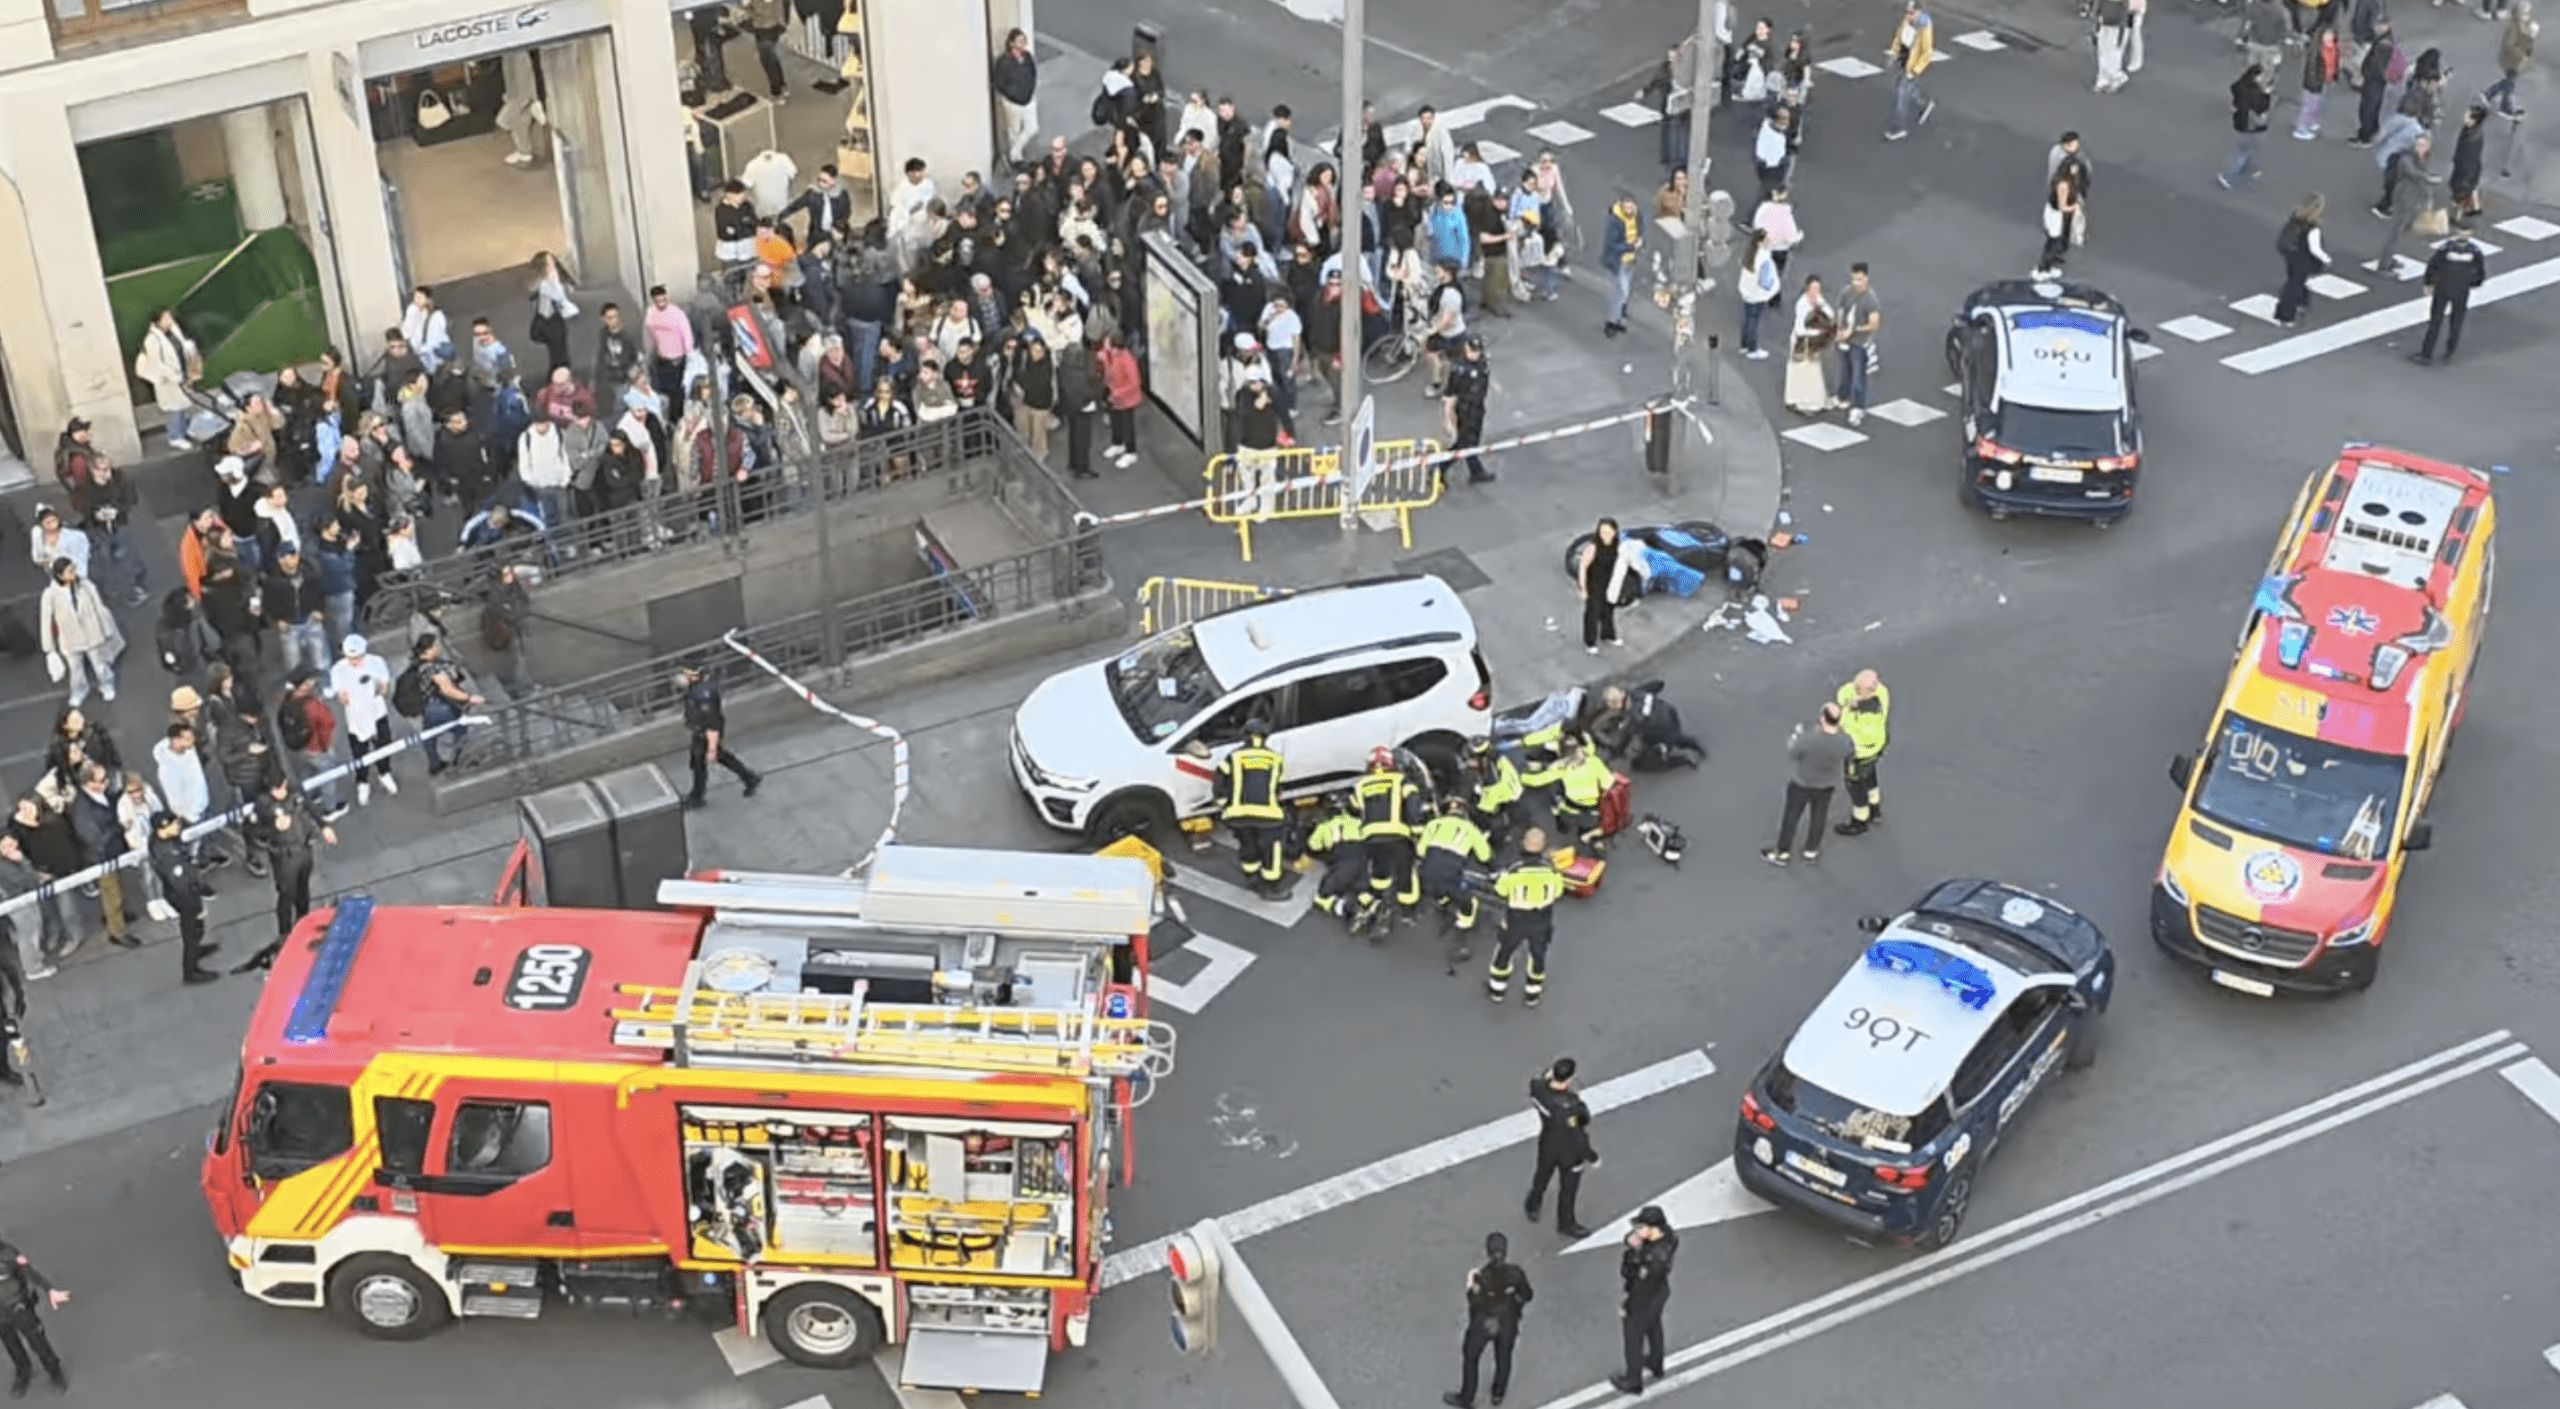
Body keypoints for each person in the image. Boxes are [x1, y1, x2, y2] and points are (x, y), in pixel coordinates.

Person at [233, 769, 336, 974]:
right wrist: (273, 827)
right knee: (286, 894)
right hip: (284, 856)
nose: (279, 792)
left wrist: (324, 826)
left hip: (303, 850)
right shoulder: (263, 804)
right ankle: (285, 934)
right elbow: (252, 831)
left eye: (281, 787)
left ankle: (304, 923)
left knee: (303, 891)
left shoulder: (295, 792)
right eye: (275, 789)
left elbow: (309, 807)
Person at [1445, 1230, 1533, 1409]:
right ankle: (1498, 1393)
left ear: (1487, 1252)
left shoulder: (1481, 1276)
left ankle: (1467, 1397)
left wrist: (1471, 1287)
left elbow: (1474, 1300)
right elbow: (1527, 1294)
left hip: (1484, 1323)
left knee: (1471, 1357)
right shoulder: (1516, 1273)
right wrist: (1515, 1305)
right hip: (1507, 1321)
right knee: (1504, 1357)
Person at [1764, 702, 1852, 866]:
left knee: (1791, 817)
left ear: (1824, 718)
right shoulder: (1844, 741)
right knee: (1819, 816)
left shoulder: (1810, 738)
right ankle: (1811, 850)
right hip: (1827, 784)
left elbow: (1793, 752)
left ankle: (1783, 852)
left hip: (1802, 783)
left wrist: (1796, 735)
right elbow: (1849, 752)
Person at [1487, 829, 1565, 1006]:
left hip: (1516, 919)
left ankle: (1497, 991)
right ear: (1543, 846)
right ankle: (1532, 994)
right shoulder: (1552, 872)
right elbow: (1559, 891)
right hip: (1542, 920)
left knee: (1504, 953)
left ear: (1523, 844)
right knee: (1538, 956)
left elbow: (1500, 890)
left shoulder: (1515, 871)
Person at [1609, 1207, 1679, 1396]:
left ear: (1653, 1228)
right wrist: (1634, 1243)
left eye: (1642, 1227)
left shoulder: (1652, 1261)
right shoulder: (1669, 1237)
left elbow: (1639, 1285)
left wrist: (1627, 1305)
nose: (1637, 1230)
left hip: (1645, 1296)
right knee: (1653, 1326)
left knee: (1633, 1335)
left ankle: (1633, 1380)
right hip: (1660, 1292)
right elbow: (1633, 1239)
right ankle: (1656, 1363)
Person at [1213, 721, 1289, 895]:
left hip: (1238, 815)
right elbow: (1277, 788)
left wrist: (1222, 802)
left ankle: (1252, 878)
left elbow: (1219, 779)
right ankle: (1271, 885)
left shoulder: (1235, 756)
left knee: (1248, 845)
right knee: (1272, 849)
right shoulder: (1276, 759)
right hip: (1269, 816)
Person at [1525, 1057, 1596, 1236]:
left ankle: (1533, 1204)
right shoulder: (1570, 1107)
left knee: (1541, 1176)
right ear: (1569, 1079)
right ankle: (1566, 1223)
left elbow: (1538, 1082)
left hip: (1548, 1143)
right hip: (1569, 1154)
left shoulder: (1538, 1090)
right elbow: (1579, 1130)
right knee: (1568, 1191)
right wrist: (1591, 1155)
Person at [1417, 798, 1493, 963]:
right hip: (1451, 873)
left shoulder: (1433, 824)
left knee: (1438, 888)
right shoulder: (1470, 828)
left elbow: (1421, 851)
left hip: (1427, 873)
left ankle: (1443, 904)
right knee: (1469, 901)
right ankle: (1461, 937)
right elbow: (1485, 856)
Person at [36, 558, 120, 708]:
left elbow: (99, 607)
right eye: (70, 571)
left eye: (73, 569)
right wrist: (49, 649)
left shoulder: (86, 586)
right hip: (70, 640)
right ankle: (79, 691)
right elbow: (46, 623)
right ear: (60, 576)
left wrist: (106, 630)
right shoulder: (50, 595)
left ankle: (107, 685)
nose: (74, 573)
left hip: (92, 635)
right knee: (76, 670)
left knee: (100, 665)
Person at [148, 810, 219, 985]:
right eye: (174, 824)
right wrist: (198, 903)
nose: (178, 826)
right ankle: (191, 971)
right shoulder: (169, 855)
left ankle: (196, 951)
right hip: (183, 895)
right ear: (163, 828)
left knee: (196, 928)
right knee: (192, 931)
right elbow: (182, 884)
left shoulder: (162, 841)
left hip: (180, 890)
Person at [679, 662, 762, 808]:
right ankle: (749, 777)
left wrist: (711, 748)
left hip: (705, 732)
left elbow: (712, 725)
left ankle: (697, 796)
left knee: (702, 761)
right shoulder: (698, 688)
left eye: (686, 674)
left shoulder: (704, 695)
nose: (683, 677)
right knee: (716, 757)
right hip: (700, 730)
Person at [1354, 746, 1425, 913]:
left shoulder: (1361, 785)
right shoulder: (1401, 780)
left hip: (1371, 839)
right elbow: (1414, 804)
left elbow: (1356, 810)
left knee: (1379, 870)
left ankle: (1376, 899)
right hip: (1397, 836)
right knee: (1406, 872)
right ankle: (1408, 910)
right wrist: (1417, 831)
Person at [329, 634, 398, 805]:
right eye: (350, 657)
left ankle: (385, 772)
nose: (354, 661)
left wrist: (382, 688)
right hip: (356, 718)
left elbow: (386, 688)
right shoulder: (338, 670)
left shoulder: (377, 662)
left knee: (384, 745)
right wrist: (342, 698)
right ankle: (362, 782)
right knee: (360, 754)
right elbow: (340, 695)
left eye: (357, 657)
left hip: (377, 713)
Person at [2410, 220, 2489, 366]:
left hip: (2443, 288)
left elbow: (2433, 265)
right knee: (2456, 322)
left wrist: (2429, 283)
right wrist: (2471, 283)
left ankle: (2426, 354)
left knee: (2435, 321)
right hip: (2461, 290)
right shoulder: (2475, 251)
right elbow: (2480, 273)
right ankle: (2449, 353)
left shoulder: (2446, 248)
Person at [0, 1236, 70, 1395]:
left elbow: (31, 1273)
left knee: (38, 1342)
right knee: (12, 1346)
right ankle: (23, 1372)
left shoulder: (9, 1255)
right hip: (1, 1316)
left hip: (19, 1308)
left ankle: (54, 1371)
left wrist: (49, 1290)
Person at [1524, 737, 1617, 851]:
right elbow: (1609, 782)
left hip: (1571, 805)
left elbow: (1539, 780)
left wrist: (1522, 777)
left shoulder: (1562, 766)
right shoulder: (1593, 761)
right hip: (1593, 805)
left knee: (1561, 814)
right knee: (1587, 824)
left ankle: (1563, 827)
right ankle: (1587, 838)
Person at [1575, 519, 1647, 655]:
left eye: (1609, 531)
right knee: (1593, 614)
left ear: (1614, 531)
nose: (1605, 534)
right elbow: (1583, 567)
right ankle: (1590, 642)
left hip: (1612, 584)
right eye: (1602, 532)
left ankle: (1608, 635)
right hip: (1595, 585)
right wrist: (1583, 588)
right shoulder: (1593, 547)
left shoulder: (1618, 546)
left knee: (1608, 611)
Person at [1834, 669, 1892, 836]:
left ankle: (1860, 820)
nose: (1855, 690)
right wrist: (1854, 698)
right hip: (1878, 747)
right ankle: (1875, 808)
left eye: (1859, 689)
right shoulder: (1881, 691)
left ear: (1869, 691)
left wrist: (1846, 713)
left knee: (1855, 783)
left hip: (1862, 754)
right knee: (1870, 776)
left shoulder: (1869, 721)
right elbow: (1844, 693)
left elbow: (1846, 728)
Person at [2273, 194, 2333, 326]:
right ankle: (2285, 315)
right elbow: (2315, 249)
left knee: (2295, 280)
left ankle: (2302, 301)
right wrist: (2327, 259)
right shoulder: (2313, 228)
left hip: (2290, 255)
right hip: (2304, 259)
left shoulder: (2295, 219)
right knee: (2294, 285)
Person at [1467, 735, 1526, 852]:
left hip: (1491, 803)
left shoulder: (1488, 766)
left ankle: (1491, 846)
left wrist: (1478, 790)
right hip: (1508, 794)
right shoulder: (1499, 758)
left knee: (1488, 825)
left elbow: (1491, 784)